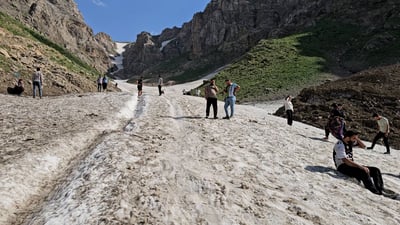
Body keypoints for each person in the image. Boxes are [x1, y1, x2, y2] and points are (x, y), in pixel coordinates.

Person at [333, 130, 385, 195]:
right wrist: (360, 166)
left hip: (350, 164)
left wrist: (356, 138)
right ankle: (374, 191)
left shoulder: (349, 142)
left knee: (375, 170)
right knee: (363, 171)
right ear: (347, 138)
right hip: (342, 166)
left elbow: (364, 146)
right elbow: (345, 160)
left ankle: (380, 189)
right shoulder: (340, 145)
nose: (355, 140)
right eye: (354, 138)